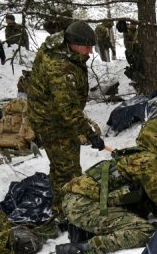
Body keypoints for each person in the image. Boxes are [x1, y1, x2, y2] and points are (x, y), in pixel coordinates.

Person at [56, 119, 157, 254]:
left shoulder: (139, 156)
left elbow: (153, 201)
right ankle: (78, 251)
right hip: (83, 204)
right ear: (156, 140)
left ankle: (83, 233)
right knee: (143, 231)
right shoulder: (148, 162)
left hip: (79, 200)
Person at [26, 20, 106, 222]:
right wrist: (90, 134)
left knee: (61, 165)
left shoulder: (63, 49)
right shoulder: (59, 68)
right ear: (74, 43)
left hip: (55, 115)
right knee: (68, 169)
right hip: (51, 122)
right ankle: (66, 214)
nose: (89, 52)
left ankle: (61, 205)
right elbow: (68, 108)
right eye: (87, 47)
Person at [118, 20, 144, 91]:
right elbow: (128, 43)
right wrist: (134, 45)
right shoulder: (128, 30)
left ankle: (137, 85)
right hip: (132, 53)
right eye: (134, 25)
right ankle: (137, 85)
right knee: (136, 69)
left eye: (135, 25)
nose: (134, 26)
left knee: (137, 69)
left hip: (134, 53)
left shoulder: (134, 30)